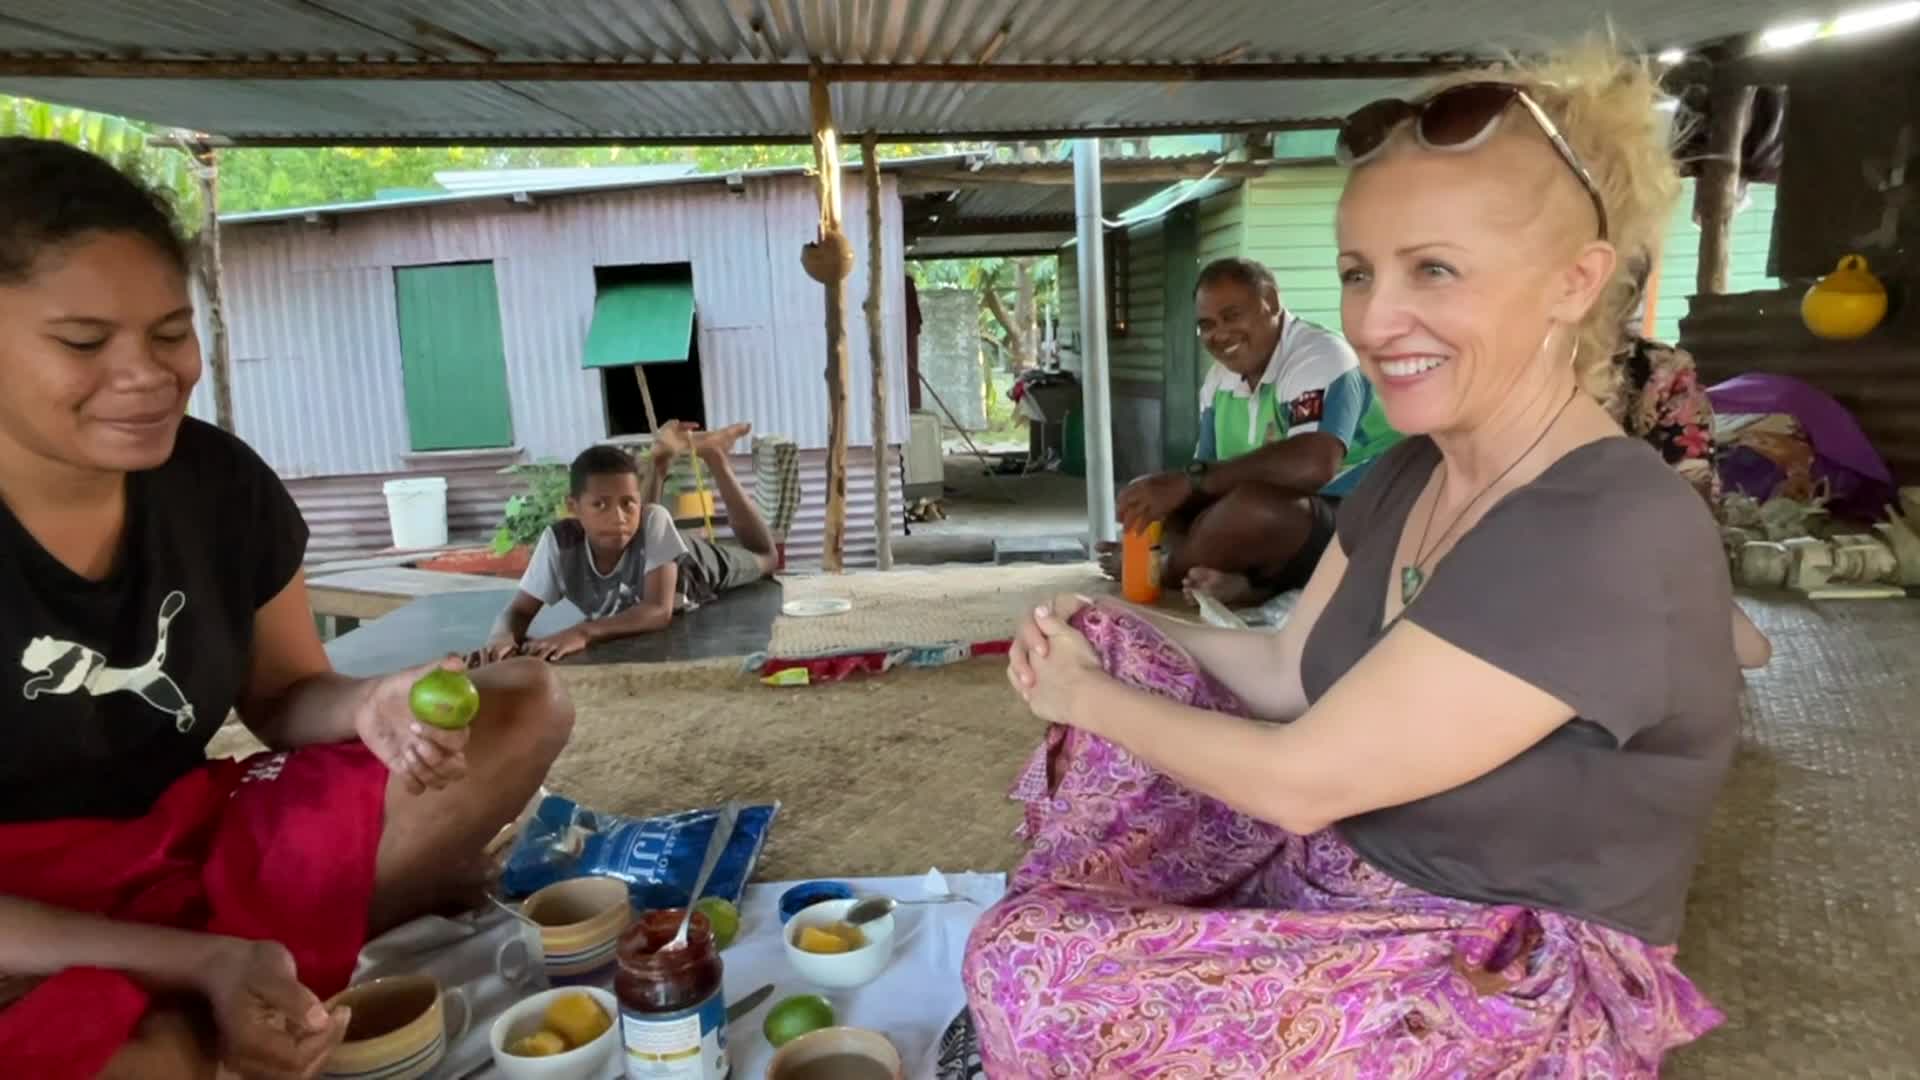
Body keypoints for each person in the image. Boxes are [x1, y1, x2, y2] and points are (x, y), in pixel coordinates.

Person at [971, 46, 1734, 1076]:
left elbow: (1300, 783)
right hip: (1347, 868)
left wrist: (1083, 699)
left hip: (1497, 958)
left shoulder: (1605, 526)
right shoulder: (1413, 471)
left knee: (1032, 973)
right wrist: (1100, 627)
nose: (1373, 321)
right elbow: (1287, 669)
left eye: (1435, 270)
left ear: (1574, 282)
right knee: (1113, 654)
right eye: (1358, 272)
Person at [0, 138, 575, 1080]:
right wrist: (205, 961)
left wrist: (371, 704)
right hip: (22, 910)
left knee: (523, 705)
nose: (147, 374)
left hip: (186, 835)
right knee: (140, 1061)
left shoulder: (215, 482)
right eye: (84, 343)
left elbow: (282, 696)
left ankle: (237, 986)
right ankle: (224, 992)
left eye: (170, 333)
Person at [1101, 258, 1400, 607]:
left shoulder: (1319, 356)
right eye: (1206, 325)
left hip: (1366, 513)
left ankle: (1164, 569)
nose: (1220, 334)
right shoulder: (1219, 380)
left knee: (1251, 510)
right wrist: (1159, 507)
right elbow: (1203, 480)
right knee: (1171, 504)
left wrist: (1188, 484)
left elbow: (1315, 465)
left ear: (1270, 301)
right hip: (1293, 525)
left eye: (1232, 316)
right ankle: (1240, 583)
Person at [483, 420, 778, 662]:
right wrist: (501, 637)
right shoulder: (560, 543)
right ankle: (660, 462)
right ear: (574, 507)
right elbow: (519, 611)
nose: (618, 517)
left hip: (693, 568)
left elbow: (657, 610)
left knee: (766, 559)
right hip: (651, 545)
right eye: (600, 505)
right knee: (647, 526)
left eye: (628, 503)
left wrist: (582, 632)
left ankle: (715, 456)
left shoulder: (653, 519)